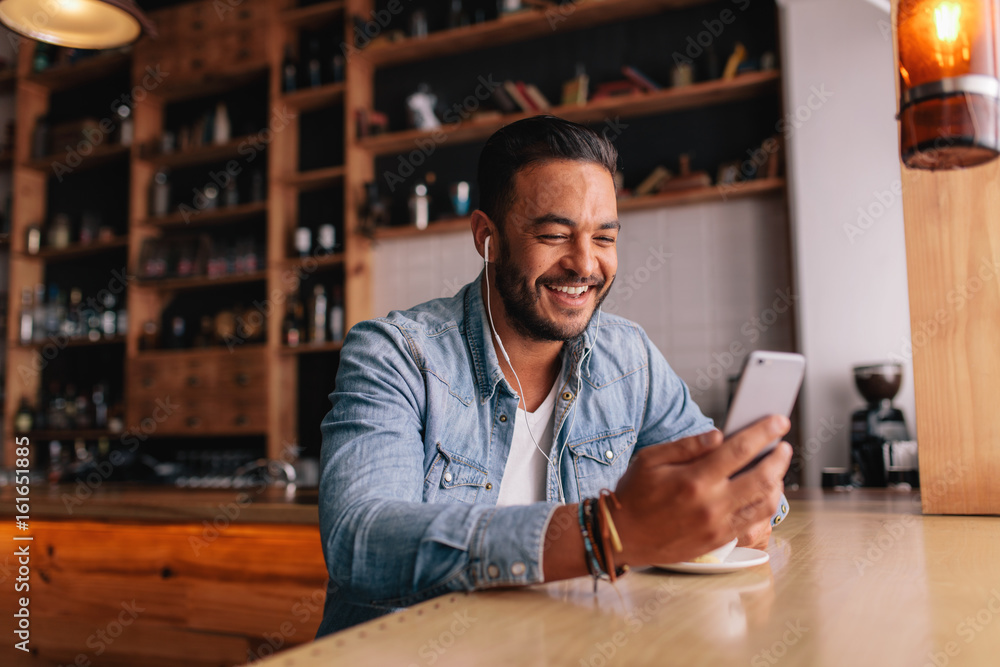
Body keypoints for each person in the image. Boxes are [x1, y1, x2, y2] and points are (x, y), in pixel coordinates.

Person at [316, 115, 792, 637]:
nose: (584, 264)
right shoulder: (396, 356)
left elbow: (720, 478)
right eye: (554, 234)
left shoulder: (628, 356)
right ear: (486, 237)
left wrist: (744, 506)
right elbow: (360, 542)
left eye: (604, 238)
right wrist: (604, 534)